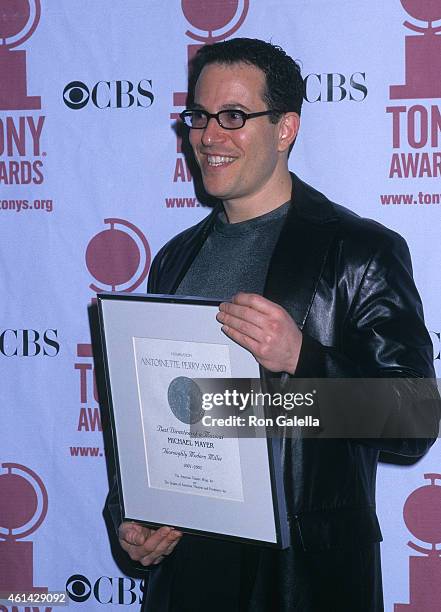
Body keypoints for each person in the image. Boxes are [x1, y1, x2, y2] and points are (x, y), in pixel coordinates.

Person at [106, 38, 438, 611]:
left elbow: (413, 421)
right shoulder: (173, 258)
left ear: (286, 127)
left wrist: (305, 360)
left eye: (234, 116)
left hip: (301, 578)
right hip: (189, 575)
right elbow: (158, 414)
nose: (210, 137)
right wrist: (134, 515)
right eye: (199, 117)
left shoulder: (359, 251)